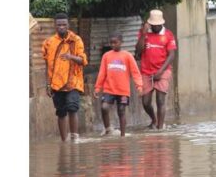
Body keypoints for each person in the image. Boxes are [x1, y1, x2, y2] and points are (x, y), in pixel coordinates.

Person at [42, 13, 88, 142]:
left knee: (72, 107)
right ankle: (64, 142)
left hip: (73, 81)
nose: (61, 27)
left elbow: (83, 60)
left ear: (68, 25)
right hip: (56, 83)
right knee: (60, 112)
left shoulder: (76, 40)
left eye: (64, 24)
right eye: (59, 25)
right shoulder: (48, 43)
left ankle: (75, 138)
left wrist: (70, 57)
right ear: (54, 26)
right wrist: (47, 84)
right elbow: (47, 65)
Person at [94, 32, 144, 137]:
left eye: (115, 42)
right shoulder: (106, 56)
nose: (113, 45)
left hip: (123, 90)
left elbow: (135, 72)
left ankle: (122, 135)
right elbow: (102, 73)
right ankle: (108, 129)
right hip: (109, 89)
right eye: (111, 43)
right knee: (104, 107)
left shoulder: (128, 56)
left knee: (121, 110)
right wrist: (98, 88)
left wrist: (139, 86)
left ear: (121, 42)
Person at [135, 9, 177, 130]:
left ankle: (160, 128)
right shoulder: (144, 33)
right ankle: (154, 119)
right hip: (146, 71)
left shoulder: (168, 35)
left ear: (161, 24)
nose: (154, 27)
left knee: (160, 99)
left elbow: (171, 55)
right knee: (146, 102)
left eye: (156, 25)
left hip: (163, 70)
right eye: (152, 25)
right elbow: (138, 51)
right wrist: (143, 34)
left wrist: (160, 71)